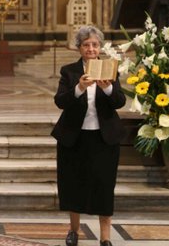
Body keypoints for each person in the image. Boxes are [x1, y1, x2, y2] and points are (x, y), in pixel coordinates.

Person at [51, 26, 126, 246]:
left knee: (104, 185)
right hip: (74, 138)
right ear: (79, 48)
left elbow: (119, 101)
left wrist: (109, 89)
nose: (91, 48)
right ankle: (74, 231)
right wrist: (79, 88)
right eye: (86, 45)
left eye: (94, 44)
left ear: (99, 46)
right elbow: (60, 101)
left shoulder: (110, 69)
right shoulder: (69, 71)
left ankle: (105, 236)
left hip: (104, 138)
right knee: (73, 184)